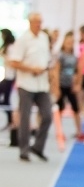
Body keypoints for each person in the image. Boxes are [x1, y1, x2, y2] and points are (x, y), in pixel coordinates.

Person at [8, 12, 53, 161]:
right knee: (25, 118)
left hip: (42, 85)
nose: (39, 24)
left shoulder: (44, 38)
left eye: (41, 22)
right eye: (36, 22)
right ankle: (24, 149)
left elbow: (46, 59)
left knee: (47, 115)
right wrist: (31, 69)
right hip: (26, 84)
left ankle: (38, 147)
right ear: (30, 22)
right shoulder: (23, 40)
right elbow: (14, 62)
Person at [53, 31, 82, 138]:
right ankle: (59, 131)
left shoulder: (74, 56)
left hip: (71, 85)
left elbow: (77, 71)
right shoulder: (60, 55)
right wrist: (56, 87)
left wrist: (77, 84)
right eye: (68, 42)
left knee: (76, 108)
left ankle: (79, 131)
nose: (69, 44)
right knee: (60, 109)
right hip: (61, 84)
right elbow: (56, 71)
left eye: (71, 42)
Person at [1, 28, 16, 136]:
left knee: (6, 100)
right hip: (7, 76)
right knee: (5, 100)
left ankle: (11, 121)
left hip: (10, 77)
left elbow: (12, 61)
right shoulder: (6, 47)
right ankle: (10, 120)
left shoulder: (11, 47)